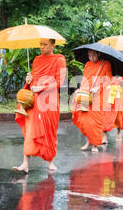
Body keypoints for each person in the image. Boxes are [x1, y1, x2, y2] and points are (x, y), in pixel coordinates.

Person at [13, 38, 66, 172]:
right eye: (40, 44)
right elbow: (33, 82)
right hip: (34, 100)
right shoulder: (36, 60)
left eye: (45, 44)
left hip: (49, 101)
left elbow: (59, 82)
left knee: (49, 131)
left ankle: (50, 162)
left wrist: (42, 87)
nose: (41, 47)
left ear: (53, 45)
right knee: (30, 131)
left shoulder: (59, 60)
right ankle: (25, 163)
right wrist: (29, 81)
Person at [72, 50, 112, 152]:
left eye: (93, 55)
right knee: (85, 120)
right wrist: (81, 90)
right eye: (89, 55)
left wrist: (99, 88)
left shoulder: (105, 64)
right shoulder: (88, 64)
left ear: (98, 54)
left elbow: (109, 80)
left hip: (99, 95)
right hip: (86, 94)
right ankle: (89, 142)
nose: (91, 58)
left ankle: (94, 144)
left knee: (95, 121)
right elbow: (85, 78)